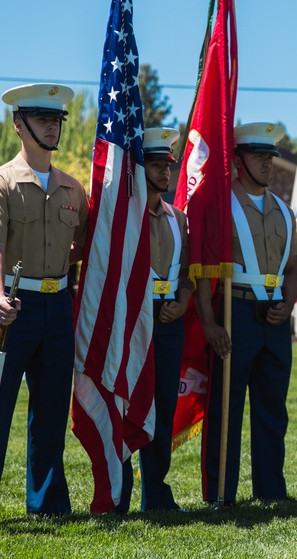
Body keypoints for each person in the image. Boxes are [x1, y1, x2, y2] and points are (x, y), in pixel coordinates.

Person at [0, 84, 88, 532]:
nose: (52, 126)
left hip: (59, 305)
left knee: (52, 411)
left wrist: (60, 268)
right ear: (19, 125)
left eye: (56, 120)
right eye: (42, 119)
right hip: (12, 306)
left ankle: (49, 506)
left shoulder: (75, 189)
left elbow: (85, 246)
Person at [197, 122, 297, 502]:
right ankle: (221, 492)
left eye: (270, 157)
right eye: (259, 156)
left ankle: (271, 491)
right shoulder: (220, 207)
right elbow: (204, 269)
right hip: (233, 312)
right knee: (226, 408)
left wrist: (288, 305)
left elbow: (294, 269)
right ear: (237, 161)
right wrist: (209, 321)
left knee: (273, 408)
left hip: (274, 318)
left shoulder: (285, 212)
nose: (267, 164)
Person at [115, 128, 192, 513]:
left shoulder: (179, 218)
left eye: (168, 165)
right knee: (129, 405)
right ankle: (120, 492)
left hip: (168, 321)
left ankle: (157, 493)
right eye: (158, 165)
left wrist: (182, 302)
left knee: (162, 404)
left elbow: (188, 275)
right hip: (132, 321)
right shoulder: (124, 217)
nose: (166, 172)